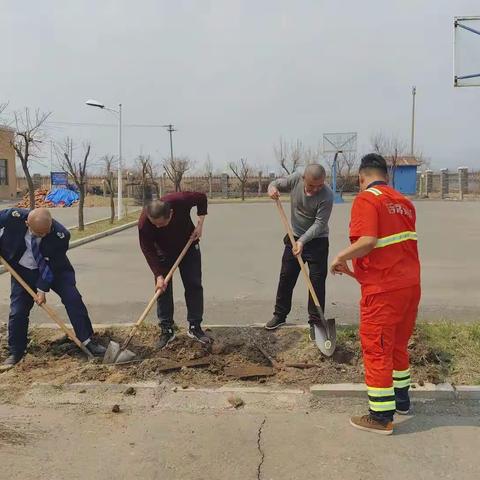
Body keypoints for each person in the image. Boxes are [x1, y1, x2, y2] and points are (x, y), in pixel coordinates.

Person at [330, 153, 421, 435]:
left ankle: (381, 417)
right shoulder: (404, 203)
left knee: (377, 348)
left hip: (384, 292)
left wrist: (339, 257)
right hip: (409, 287)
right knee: (396, 345)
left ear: (361, 177)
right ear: (387, 175)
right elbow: (390, 249)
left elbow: (368, 241)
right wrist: (356, 270)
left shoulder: (367, 199)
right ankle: (402, 400)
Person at [0, 208, 106, 370]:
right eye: (38, 234)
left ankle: (86, 341)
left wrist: (42, 289)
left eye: (45, 232)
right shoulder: (11, 217)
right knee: (18, 311)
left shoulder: (60, 235)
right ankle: (16, 351)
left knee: (73, 298)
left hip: (55, 270)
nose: (43, 236)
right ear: (27, 223)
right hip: (22, 270)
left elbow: (52, 265)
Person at [266, 164, 334, 339]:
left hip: (317, 241)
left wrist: (302, 241)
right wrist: (271, 188)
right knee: (286, 276)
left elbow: (320, 224)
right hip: (293, 236)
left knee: (316, 282)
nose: (315, 189)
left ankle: (316, 322)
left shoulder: (327, 195)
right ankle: (280, 315)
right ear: (303, 178)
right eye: (311, 186)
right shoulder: (295, 178)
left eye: (319, 186)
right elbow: (275, 183)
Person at [138, 192, 211, 349]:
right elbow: (147, 249)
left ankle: (195, 327)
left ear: (171, 213)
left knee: (194, 285)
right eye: (154, 225)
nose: (157, 227)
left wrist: (200, 224)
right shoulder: (144, 222)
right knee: (162, 290)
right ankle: (167, 329)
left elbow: (202, 198)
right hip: (162, 252)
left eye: (161, 224)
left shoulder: (180, 200)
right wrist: (158, 275)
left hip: (188, 245)